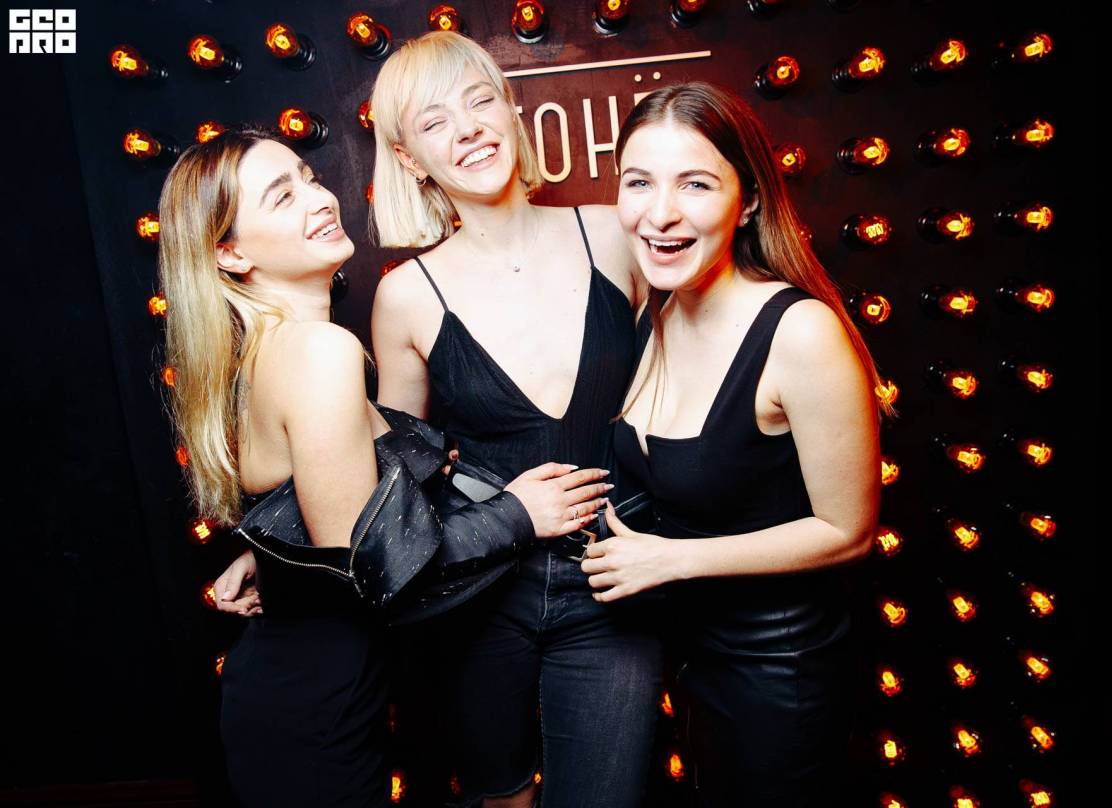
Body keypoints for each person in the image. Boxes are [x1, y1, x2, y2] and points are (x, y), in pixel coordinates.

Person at [159, 126, 611, 807]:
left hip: (311, 696)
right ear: (231, 253)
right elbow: (374, 569)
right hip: (317, 713)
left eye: (308, 178)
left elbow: (318, 507)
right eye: (282, 197)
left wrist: (275, 556)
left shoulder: (267, 350)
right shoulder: (318, 351)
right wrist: (519, 515)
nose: (319, 199)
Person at [369, 31, 661, 808]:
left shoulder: (613, 233)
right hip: (479, 598)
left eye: (479, 101)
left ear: (509, 108)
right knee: (501, 797)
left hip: (614, 581)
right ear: (407, 159)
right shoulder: (407, 295)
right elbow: (394, 475)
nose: (467, 129)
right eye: (434, 122)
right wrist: (277, 553)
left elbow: (693, 372)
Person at [580, 82, 891, 806]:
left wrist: (670, 560)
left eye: (695, 184)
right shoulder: (656, 313)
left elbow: (849, 532)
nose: (660, 213)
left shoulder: (799, 332)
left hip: (778, 675)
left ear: (747, 200)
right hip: (687, 664)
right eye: (639, 182)